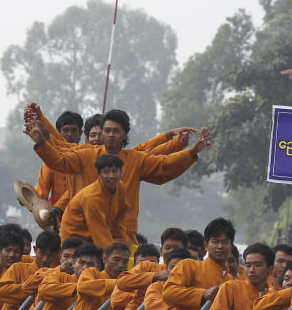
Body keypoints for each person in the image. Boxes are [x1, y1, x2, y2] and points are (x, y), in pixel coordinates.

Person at [24, 106, 210, 244]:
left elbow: (164, 165)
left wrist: (191, 152)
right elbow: (59, 159)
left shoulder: (136, 159)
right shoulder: (85, 154)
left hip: (121, 237)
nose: (111, 135)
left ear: (124, 135)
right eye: (107, 131)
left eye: (116, 131)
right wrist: (41, 142)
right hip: (81, 237)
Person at [59, 154, 130, 248]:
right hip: (75, 241)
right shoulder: (92, 198)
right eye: (106, 172)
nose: (111, 176)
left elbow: (119, 220)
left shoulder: (120, 187)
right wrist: (112, 254)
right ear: (99, 175)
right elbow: (99, 233)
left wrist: (124, 245)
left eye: (115, 171)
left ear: (121, 172)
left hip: (94, 237)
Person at [36, 111, 82, 209]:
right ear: (57, 133)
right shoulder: (50, 163)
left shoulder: (86, 158)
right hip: (57, 218)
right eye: (66, 130)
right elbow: (41, 194)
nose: (69, 134)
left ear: (80, 133)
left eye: (74, 130)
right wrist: (28, 197)